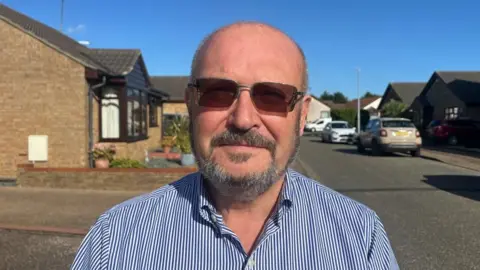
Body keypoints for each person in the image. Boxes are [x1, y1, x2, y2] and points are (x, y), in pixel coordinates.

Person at [71, 22, 399, 270]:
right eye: (217, 91)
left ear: (301, 116)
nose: (243, 119)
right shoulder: (114, 241)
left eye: (272, 95)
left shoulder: (360, 237)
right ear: (191, 105)